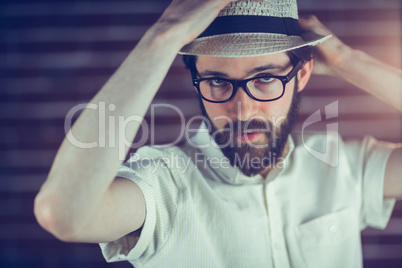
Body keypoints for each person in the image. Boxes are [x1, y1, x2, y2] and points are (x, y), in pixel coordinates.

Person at [34, 0, 402, 267]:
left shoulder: (343, 166)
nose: (242, 111)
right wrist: (163, 38)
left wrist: (344, 59)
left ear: (301, 75)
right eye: (216, 82)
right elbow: (63, 214)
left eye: (265, 79)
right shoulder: (164, 182)